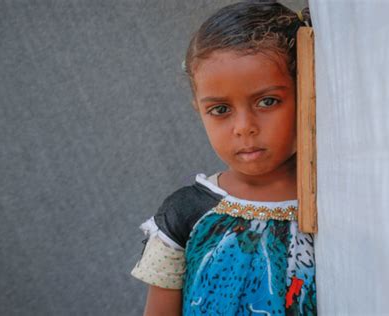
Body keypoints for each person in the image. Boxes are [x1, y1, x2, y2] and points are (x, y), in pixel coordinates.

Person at [130, 1, 316, 315]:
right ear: (199, 110)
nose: (244, 128)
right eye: (220, 110)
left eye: (268, 101)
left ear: (306, 94)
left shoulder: (332, 203)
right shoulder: (185, 213)